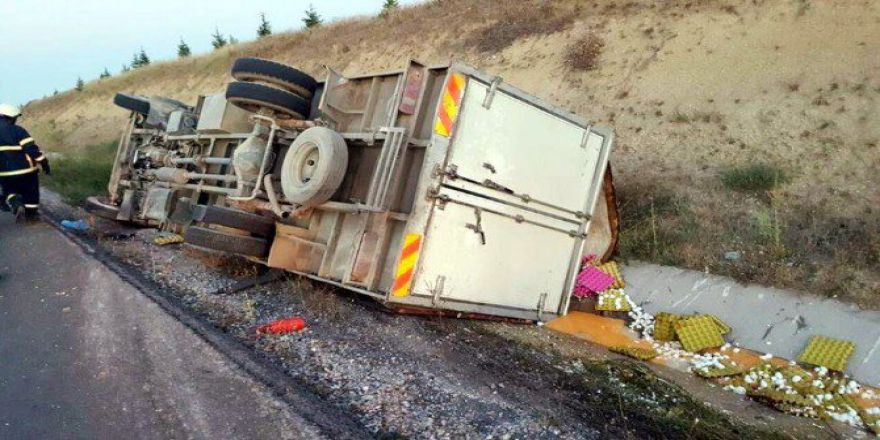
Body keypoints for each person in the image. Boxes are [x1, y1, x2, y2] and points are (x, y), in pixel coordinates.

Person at [0, 103, 50, 222]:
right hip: (26, 171)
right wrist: (43, 162)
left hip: (4, 173)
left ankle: (16, 205)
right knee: (30, 192)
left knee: (9, 191)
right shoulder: (18, 130)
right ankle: (32, 216)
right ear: (11, 117)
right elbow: (31, 149)